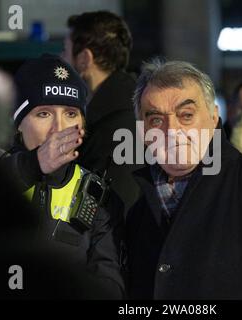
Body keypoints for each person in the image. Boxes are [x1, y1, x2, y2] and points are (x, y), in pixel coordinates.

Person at [125, 59, 242, 299]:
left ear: (214, 118)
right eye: (155, 119)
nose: (171, 130)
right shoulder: (137, 215)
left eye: (186, 115)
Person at [0, 54, 125, 299]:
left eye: (70, 114)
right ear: (18, 124)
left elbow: (110, 287)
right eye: (43, 114)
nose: (59, 128)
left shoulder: (98, 196)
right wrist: (34, 164)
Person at [63, 11, 140, 213]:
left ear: (84, 59)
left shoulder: (110, 125)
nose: (62, 60)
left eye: (65, 51)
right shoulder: (133, 105)